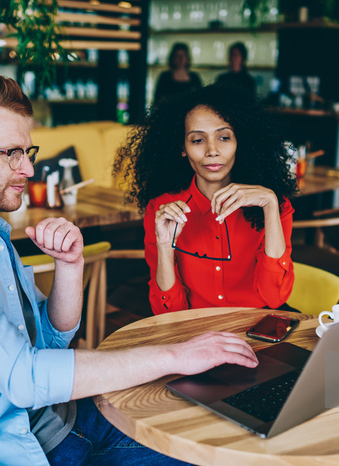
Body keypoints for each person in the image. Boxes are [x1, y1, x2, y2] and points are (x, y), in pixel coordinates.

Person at [0, 74, 259, 466]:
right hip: (8, 452)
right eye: (10, 153)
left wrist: (70, 265)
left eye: (27, 152)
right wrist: (178, 356)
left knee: (219, 434)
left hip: (62, 424)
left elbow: (52, 341)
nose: (28, 170)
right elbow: (25, 377)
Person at [115, 83, 298, 315]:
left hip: (258, 328)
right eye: (197, 140)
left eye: (223, 137)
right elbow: (168, 312)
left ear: (239, 142)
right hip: (195, 333)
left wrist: (270, 206)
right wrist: (164, 246)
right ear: (182, 147)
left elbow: (274, 297)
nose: (212, 150)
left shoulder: (273, 205)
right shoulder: (161, 210)